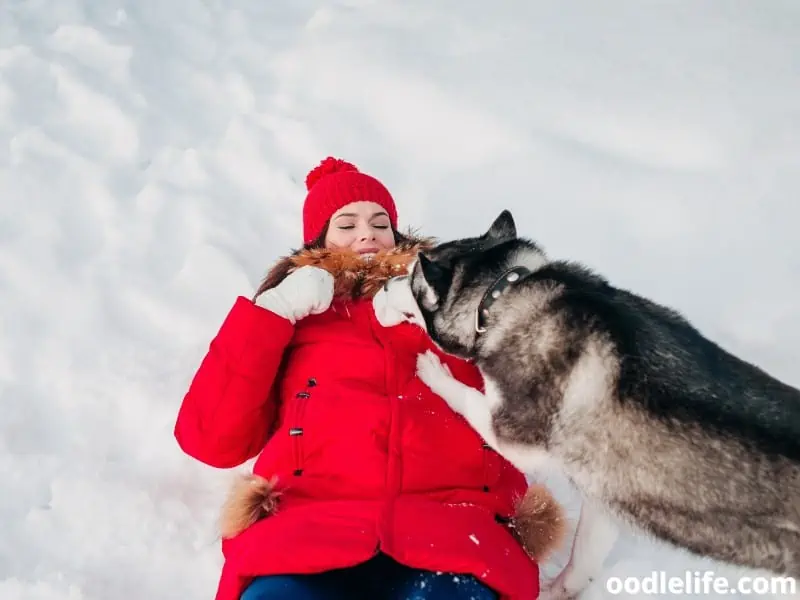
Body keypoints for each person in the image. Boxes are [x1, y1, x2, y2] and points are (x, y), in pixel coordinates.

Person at [174, 157, 566, 600]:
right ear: (317, 239)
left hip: (456, 529)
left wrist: (466, 311)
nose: (368, 233)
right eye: (347, 223)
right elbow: (210, 439)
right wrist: (272, 313)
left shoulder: (449, 305)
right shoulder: (294, 320)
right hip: (307, 531)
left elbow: (539, 401)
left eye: (381, 222)